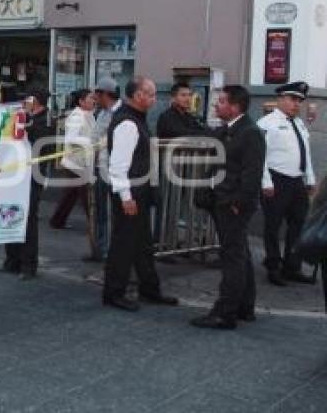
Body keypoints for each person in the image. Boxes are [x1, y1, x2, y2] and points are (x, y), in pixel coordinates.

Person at [190, 85, 265, 329]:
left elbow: (252, 174)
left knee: (232, 257)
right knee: (239, 253)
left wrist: (238, 203)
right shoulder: (228, 130)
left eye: (221, 101)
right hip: (222, 201)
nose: (216, 105)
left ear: (234, 106)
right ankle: (244, 306)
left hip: (234, 205)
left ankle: (225, 313)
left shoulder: (250, 133)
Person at [103, 76, 178, 311]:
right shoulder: (128, 123)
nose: (155, 99)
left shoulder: (138, 119)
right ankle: (114, 293)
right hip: (130, 193)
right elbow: (118, 165)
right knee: (123, 244)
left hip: (139, 190)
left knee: (143, 244)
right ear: (138, 96)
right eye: (152, 94)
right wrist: (126, 197)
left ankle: (149, 289)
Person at [258, 81, 318, 286]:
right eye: (293, 99)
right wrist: (266, 182)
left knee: (299, 224)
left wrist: (309, 179)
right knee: (273, 226)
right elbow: (260, 157)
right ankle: (273, 266)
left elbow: (305, 153)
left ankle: (292, 266)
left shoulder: (299, 124)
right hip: (276, 179)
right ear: (280, 99)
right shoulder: (267, 123)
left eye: (299, 101)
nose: (296, 104)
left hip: (296, 181)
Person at [2, 88, 51, 280]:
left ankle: (28, 265)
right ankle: (12, 260)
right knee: (10, 213)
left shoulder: (44, 122)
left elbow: (39, 149)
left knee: (29, 220)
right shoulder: (27, 120)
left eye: (27, 100)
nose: (23, 103)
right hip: (17, 175)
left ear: (35, 101)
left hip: (32, 176)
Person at [50, 89, 95, 231]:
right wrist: (89, 142)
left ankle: (57, 221)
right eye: (90, 98)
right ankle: (94, 225)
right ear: (81, 101)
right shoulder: (77, 117)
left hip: (80, 162)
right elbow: (70, 138)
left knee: (71, 194)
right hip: (75, 162)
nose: (94, 100)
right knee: (86, 195)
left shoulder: (89, 116)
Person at [89, 77, 121, 262]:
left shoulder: (121, 114)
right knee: (101, 210)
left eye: (97, 94)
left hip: (113, 171)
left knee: (111, 213)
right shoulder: (102, 113)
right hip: (100, 167)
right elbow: (94, 138)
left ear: (105, 94)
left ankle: (111, 250)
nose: (95, 98)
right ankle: (101, 248)